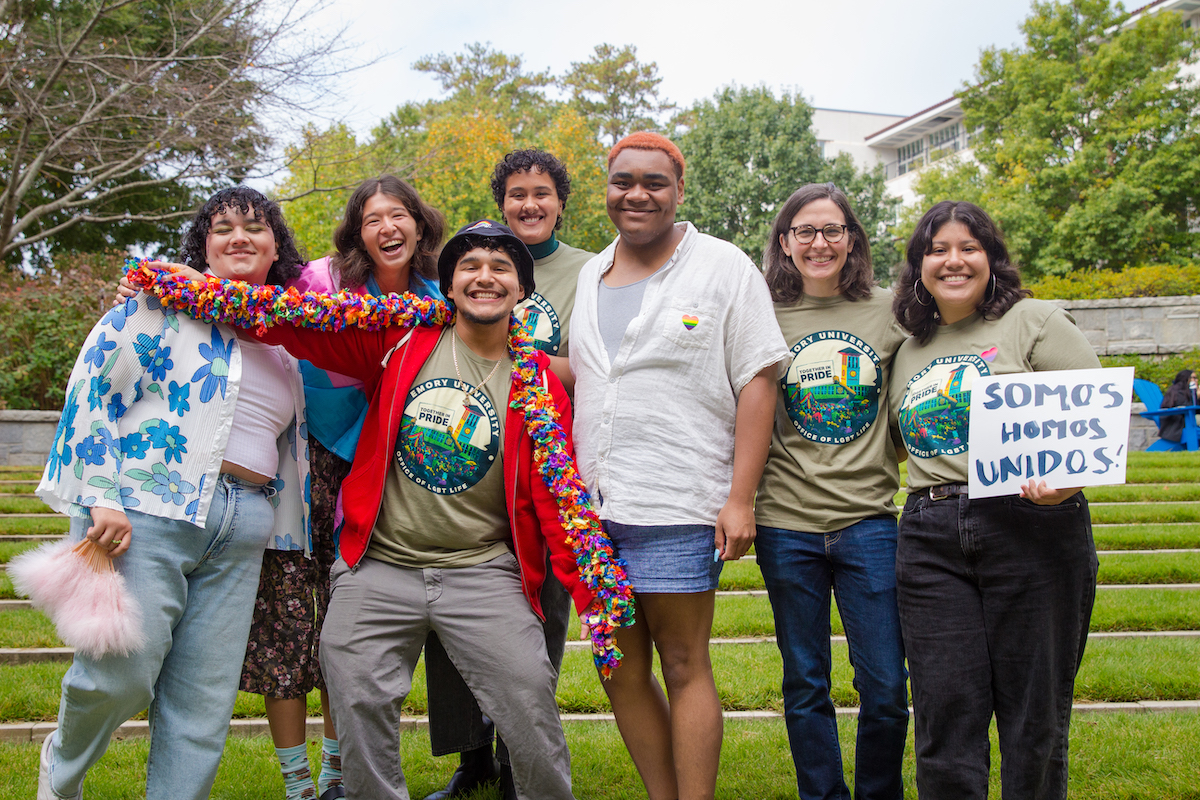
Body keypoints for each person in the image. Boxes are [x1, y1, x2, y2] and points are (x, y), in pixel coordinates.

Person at [113, 176, 446, 800]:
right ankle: (298, 784)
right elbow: (243, 303)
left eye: (399, 215)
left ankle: (337, 770)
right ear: (354, 231)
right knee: (285, 625)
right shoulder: (314, 287)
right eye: (373, 218)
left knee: (351, 629)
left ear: (420, 224)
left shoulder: (441, 294)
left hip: (392, 471)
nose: (388, 228)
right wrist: (158, 283)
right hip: (301, 469)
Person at [245, 220, 597, 800]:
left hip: (482, 570)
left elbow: (558, 502)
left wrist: (593, 594)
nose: (485, 277)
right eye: (470, 268)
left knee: (529, 696)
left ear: (522, 291)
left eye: (501, 268)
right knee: (354, 688)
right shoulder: (402, 341)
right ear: (449, 287)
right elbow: (295, 324)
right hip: (379, 565)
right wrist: (183, 286)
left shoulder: (539, 386)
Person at [36, 187, 310, 800]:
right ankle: (61, 772)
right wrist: (100, 495)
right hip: (147, 511)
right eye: (223, 228)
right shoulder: (158, 307)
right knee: (120, 676)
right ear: (202, 246)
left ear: (276, 247)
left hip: (245, 526)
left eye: (256, 227)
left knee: (203, 701)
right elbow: (92, 392)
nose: (240, 237)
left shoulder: (289, 337)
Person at [569, 132, 788, 800]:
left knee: (685, 662)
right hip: (591, 511)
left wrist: (740, 498)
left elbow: (759, 378)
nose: (637, 194)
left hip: (675, 502)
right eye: (622, 180)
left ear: (678, 191)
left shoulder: (722, 268)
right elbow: (589, 374)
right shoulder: (590, 272)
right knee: (619, 671)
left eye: (654, 182)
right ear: (606, 187)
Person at [889, 200, 1100, 799]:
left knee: (1034, 717)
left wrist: (1066, 483)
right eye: (937, 250)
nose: (953, 261)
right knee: (943, 712)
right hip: (929, 535)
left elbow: (1094, 422)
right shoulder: (909, 350)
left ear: (991, 259)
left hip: (1030, 526)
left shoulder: (1034, 322)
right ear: (918, 265)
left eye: (968, 247)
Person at [422, 150, 594, 800]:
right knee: (452, 621)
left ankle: (526, 758)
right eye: (516, 193)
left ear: (560, 202)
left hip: (547, 464)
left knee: (542, 618)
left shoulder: (588, 272)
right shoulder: (470, 259)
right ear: (501, 202)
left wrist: (536, 363)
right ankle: (473, 759)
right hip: (466, 468)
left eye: (541, 194)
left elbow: (598, 360)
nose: (529, 204)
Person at [754, 183, 910, 800]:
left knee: (886, 687)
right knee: (806, 682)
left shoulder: (890, 312)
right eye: (805, 232)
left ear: (852, 240)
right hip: (786, 525)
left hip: (869, 522)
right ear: (785, 243)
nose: (819, 243)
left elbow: (911, 406)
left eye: (832, 230)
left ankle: (878, 793)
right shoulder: (760, 313)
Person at [1158, 369, 1197, 444]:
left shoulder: (1186, 391)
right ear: (1186, 378)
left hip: (1187, 419)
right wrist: (1195, 395)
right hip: (1177, 423)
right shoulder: (1177, 391)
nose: (1196, 380)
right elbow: (1187, 406)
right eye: (1193, 378)